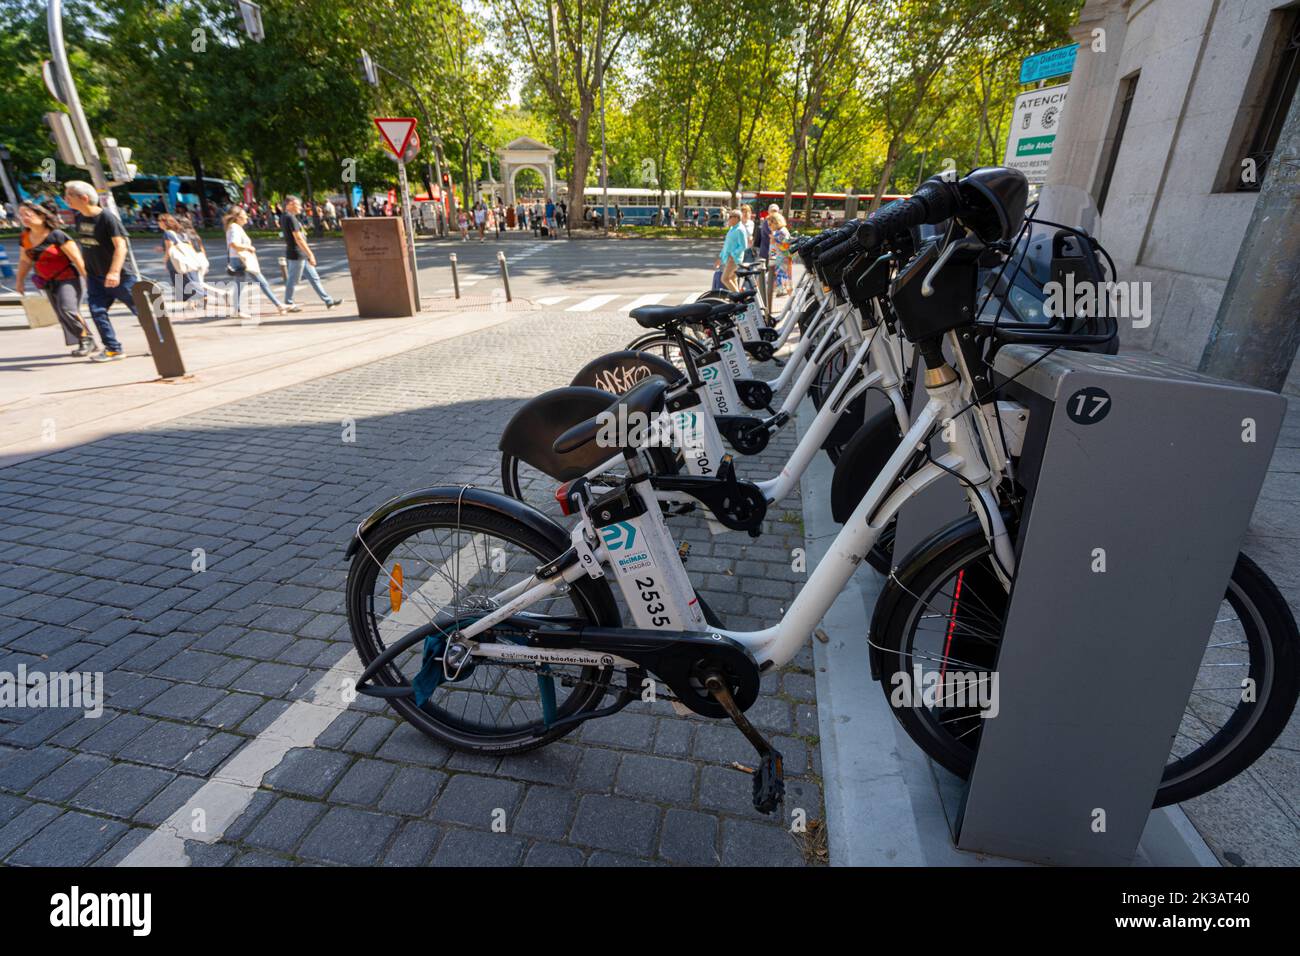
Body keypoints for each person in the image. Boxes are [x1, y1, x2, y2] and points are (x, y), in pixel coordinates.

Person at [15, 199, 96, 357]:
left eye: (28, 214)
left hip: (68, 278)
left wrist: (88, 279)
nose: (24, 217)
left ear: (42, 216)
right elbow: (25, 260)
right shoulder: (25, 237)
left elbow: (77, 258)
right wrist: (20, 281)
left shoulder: (57, 235)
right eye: (21, 215)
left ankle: (87, 340)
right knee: (61, 312)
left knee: (68, 309)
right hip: (46, 281)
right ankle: (83, 340)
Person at [63, 180, 130, 362]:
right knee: (97, 311)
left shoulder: (107, 218)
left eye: (69, 195)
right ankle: (113, 348)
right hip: (95, 277)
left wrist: (114, 272)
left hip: (120, 276)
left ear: (84, 198)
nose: (65, 198)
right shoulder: (80, 218)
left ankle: (161, 342)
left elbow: (121, 247)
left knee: (141, 310)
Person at [281, 195, 343, 312]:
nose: (300, 207)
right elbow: (298, 239)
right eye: (297, 204)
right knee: (293, 280)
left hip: (299, 253)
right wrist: (310, 254)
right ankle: (288, 303)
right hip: (297, 254)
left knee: (314, 278)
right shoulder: (290, 218)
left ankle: (328, 301)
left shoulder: (285, 217)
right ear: (289, 205)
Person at [225, 206, 287, 319]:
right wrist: (249, 248)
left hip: (237, 259)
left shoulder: (234, 227)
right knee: (261, 282)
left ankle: (237, 310)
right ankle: (279, 305)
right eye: (244, 214)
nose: (246, 216)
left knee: (240, 285)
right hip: (241, 259)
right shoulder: (234, 227)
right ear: (237, 217)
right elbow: (233, 244)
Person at [157, 212, 205, 309]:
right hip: (185, 260)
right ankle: (195, 301)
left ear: (164, 222)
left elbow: (169, 248)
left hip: (174, 261)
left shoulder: (167, 233)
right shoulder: (180, 233)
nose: (158, 223)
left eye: (159, 221)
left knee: (179, 281)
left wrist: (165, 260)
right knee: (188, 280)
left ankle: (195, 300)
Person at [715, 209, 746, 292]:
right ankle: (738, 299)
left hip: (734, 259)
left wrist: (733, 254)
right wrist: (720, 257)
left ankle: (739, 297)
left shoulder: (740, 229)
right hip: (730, 258)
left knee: (725, 279)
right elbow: (727, 245)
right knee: (732, 278)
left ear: (736, 218)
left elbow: (743, 246)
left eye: (730, 217)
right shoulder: (733, 229)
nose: (728, 219)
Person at [769, 211, 794, 295]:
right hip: (779, 259)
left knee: (781, 276)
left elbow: (786, 248)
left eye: (770, 224)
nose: (769, 226)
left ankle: (782, 291)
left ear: (776, 222)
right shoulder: (779, 231)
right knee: (780, 276)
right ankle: (782, 290)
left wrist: (774, 242)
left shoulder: (781, 232)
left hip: (782, 259)